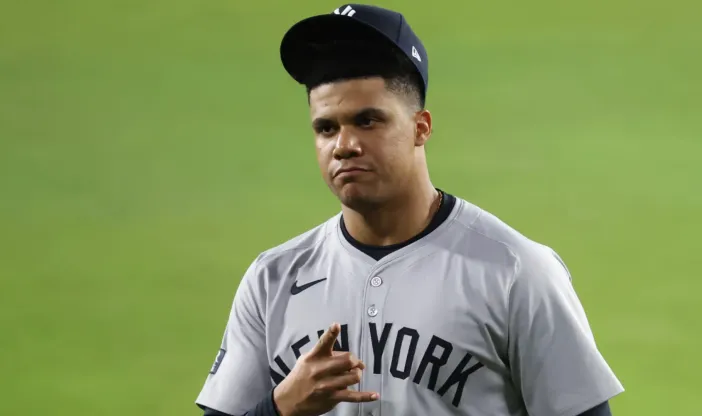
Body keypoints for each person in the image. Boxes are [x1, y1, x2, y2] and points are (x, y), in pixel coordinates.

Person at [194, 4, 624, 416]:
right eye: (326, 128)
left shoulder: (515, 271)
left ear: (421, 128)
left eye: (368, 121)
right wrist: (281, 407)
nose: (344, 146)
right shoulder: (272, 279)